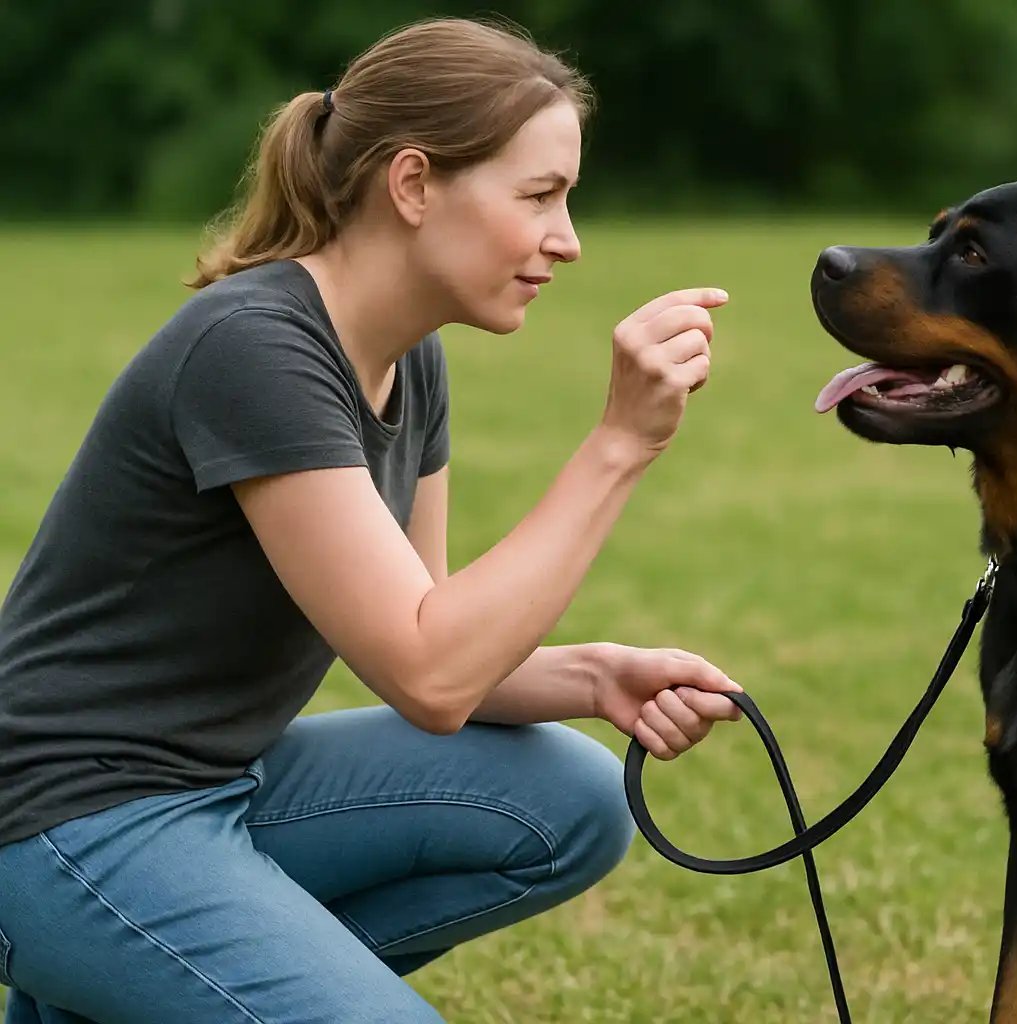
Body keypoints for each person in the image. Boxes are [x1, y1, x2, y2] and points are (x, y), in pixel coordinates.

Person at [0, 16, 743, 1023]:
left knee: (571, 800)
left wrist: (593, 672)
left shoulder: (409, 355)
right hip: (63, 820)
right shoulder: (254, 348)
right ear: (412, 185)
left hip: (226, 779)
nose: (567, 239)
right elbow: (430, 672)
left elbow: (428, 629)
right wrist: (619, 445)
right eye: (539, 196)